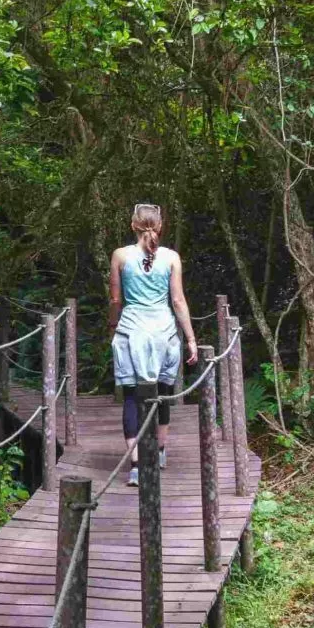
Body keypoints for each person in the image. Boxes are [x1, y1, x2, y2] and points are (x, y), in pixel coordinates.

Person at [108, 203, 197, 486]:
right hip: (164, 332)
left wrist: (112, 326)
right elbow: (178, 300)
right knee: (164, 392)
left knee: (132, 396)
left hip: (132, 331)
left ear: (133, 225)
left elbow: (115, 300)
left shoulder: (120, 255)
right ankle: (158, 452)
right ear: (159, 227)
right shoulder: (171, 257)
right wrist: (192, 338)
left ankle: (135, 466)